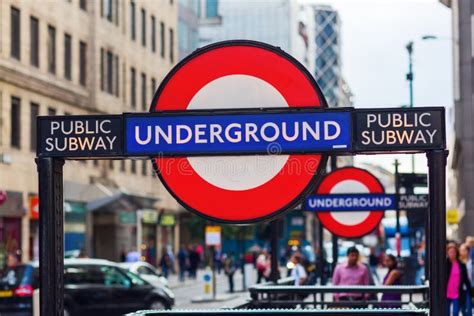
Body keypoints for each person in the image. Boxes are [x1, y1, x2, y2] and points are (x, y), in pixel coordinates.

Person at [446, 243, 471, 316]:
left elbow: (466, 280)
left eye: (453, 252)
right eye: (450, 252)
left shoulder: (461, 265)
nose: (452, 254)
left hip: (457, 293)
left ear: (456, 253)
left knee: (455, 312)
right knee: (446, 313)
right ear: (447, 253)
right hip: (446, 293)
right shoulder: (445, 264)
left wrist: (471, 293)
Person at [459, 243, 473, 316]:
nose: (462, 252)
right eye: (461, 250)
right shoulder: (458, 262)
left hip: (469, 288)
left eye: (464, 250)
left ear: (467, 251)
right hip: (460, 289)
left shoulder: (472, 262)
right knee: (462, 308)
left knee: (469, 307)